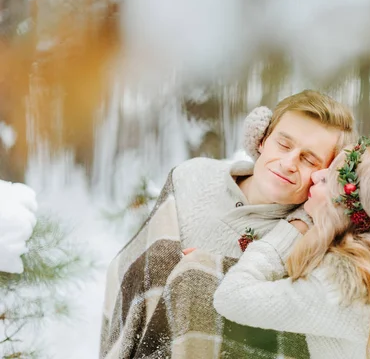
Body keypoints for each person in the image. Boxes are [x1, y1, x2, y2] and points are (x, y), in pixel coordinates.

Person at [99, 90, 356, 358]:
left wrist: (207, 272)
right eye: (283, 144)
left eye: (309, 159)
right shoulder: (191, 179)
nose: (289, 163)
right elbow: (132, 276)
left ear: (329, 173)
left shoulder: (316, 243)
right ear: (262, 140)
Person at [212, 131, 370, 359]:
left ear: (347, 207)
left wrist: (292, 228)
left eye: (329, 179)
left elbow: (231, 298)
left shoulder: (343, 289)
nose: (316, 176)